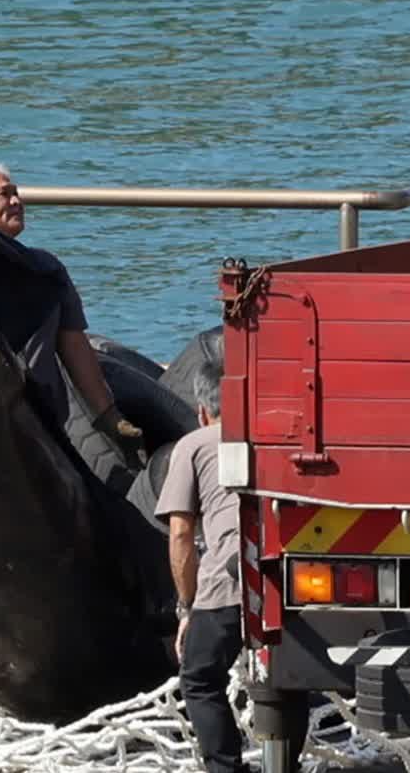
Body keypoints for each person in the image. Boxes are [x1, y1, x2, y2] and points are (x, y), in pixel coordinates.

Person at [0, 162, 140, 445]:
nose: (17, 201)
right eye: (4, 194)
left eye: (17, 193)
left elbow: (74, 345)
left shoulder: (47, 269)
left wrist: (108, 415)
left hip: (41, 418)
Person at [154, 330, 249, 773]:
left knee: (199, 680)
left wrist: (186, 607)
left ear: (202, 411)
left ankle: (225, 768)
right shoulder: (271, 440)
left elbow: (180, 536)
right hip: (287, 580)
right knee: (290, 680)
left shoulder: (193, 446)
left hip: (226, 583)